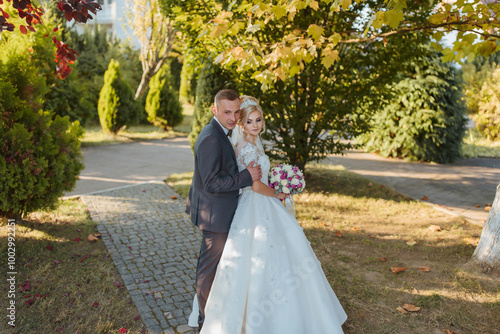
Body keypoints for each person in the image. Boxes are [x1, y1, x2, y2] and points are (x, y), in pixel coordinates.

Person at [189, 95, 347, 333]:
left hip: (250, 204)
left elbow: (255, 177)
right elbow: (252, 184)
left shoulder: (245, 142)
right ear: (241, 123)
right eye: (249, 121)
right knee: (232, 263)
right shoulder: (228, 142)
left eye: (258, 120)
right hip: (249, 204)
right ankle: (208, 317)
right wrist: (276, 193)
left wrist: (277, 182)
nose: (255, 124)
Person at [185, 89, 263, 331]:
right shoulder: (210, 137)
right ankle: (204, 322)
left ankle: (214, 315)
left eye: (236, 111)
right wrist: (246, 177)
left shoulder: (222, 133)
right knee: (208, 269)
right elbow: (212, 182)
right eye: (227, 111)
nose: (233, 116)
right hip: (214, 216)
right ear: (214, 110)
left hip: (219, 211)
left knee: (217, 267)